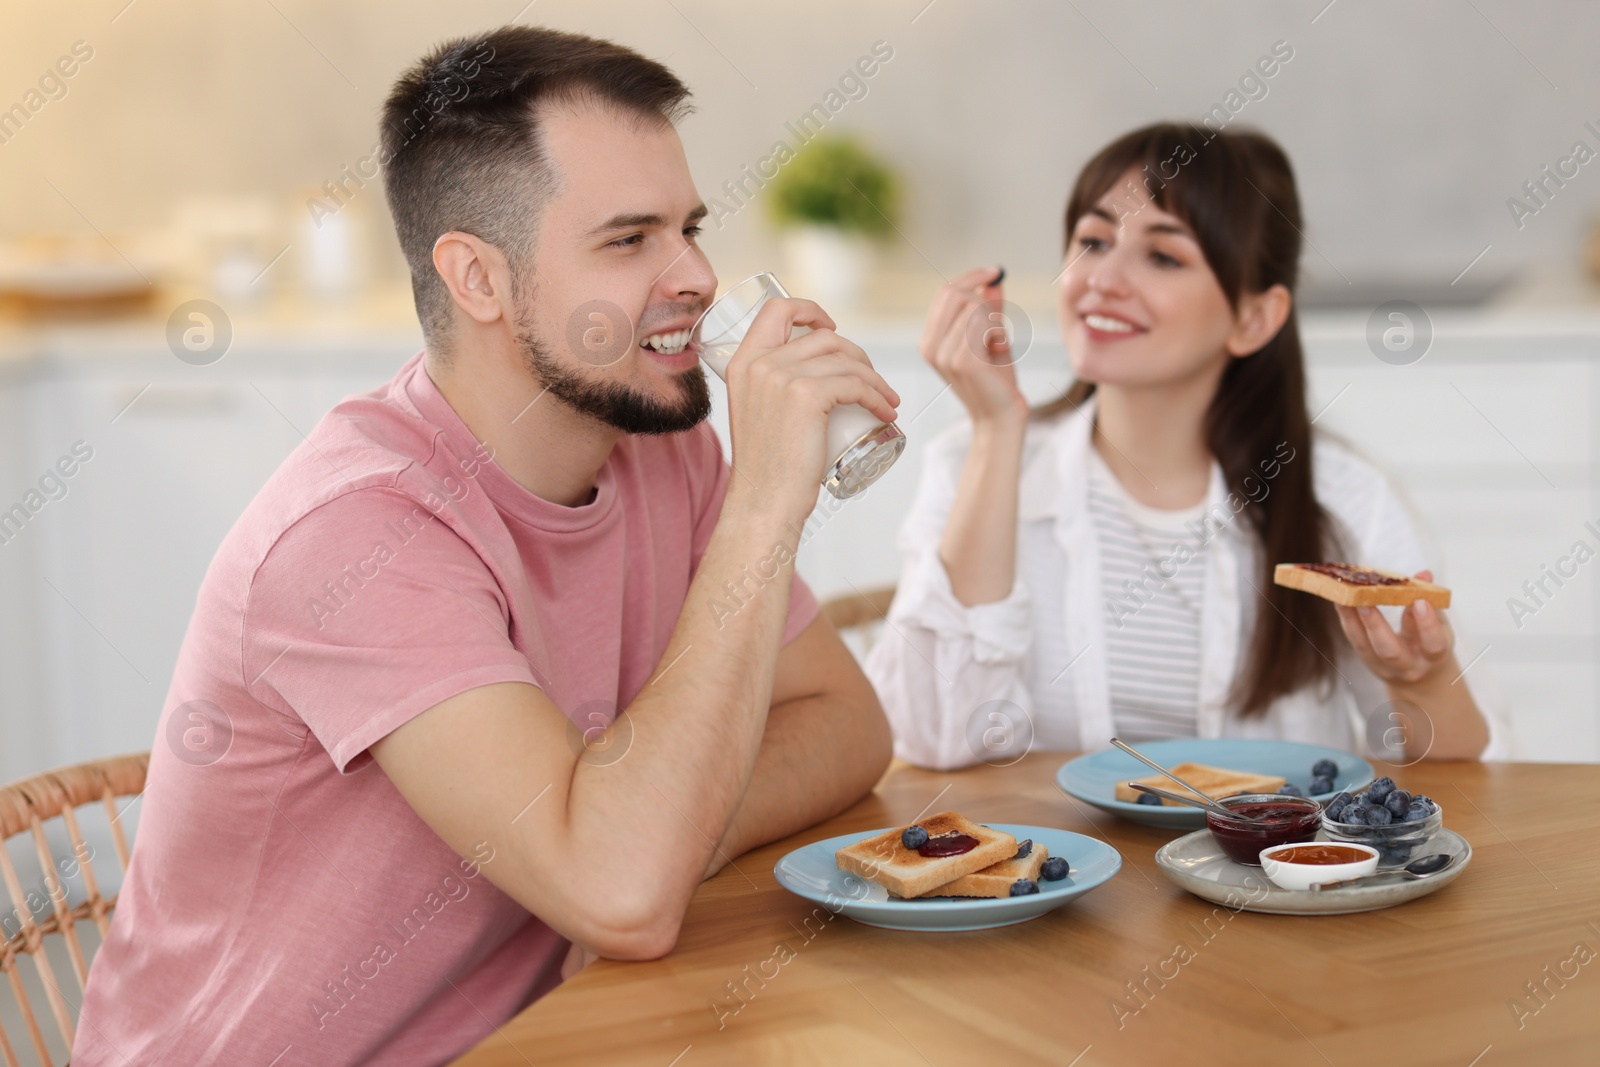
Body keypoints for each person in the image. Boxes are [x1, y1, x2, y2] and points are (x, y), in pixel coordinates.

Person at [75, 26, 897, 1066]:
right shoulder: (358, 533)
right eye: (628, 238)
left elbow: (848, 724)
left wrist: (660, 825)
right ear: (477, 278)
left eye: (690, 227)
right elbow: (624, 895)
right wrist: (770, 498)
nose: (696, 273)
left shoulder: (663, 454)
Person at [866, 122, 1510, 770]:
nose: (1104, 279)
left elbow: (1463, 779)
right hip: (1062, 870)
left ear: (1253, 317)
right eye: (1093, 242)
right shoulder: (973, 461)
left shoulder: (1343, 497)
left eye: (1164, 256)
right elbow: (933, 738)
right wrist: (997, 430)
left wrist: (1420, 683)